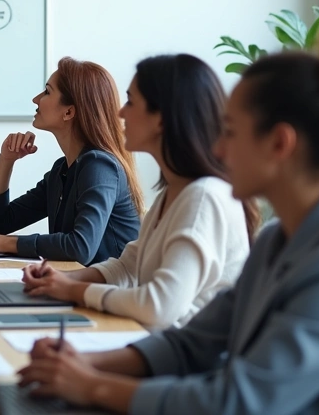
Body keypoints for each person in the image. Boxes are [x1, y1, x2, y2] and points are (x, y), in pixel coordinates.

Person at [18, 29, 319, 414]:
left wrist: (91, 385)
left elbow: (238, 402)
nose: (219, 149)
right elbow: (192, 343)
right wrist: (83, 364)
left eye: (229, 132)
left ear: (279, 144)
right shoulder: (278, 239)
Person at [21, 54, 257, 331]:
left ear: (161, 119)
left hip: (179, 351)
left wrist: (73, 290)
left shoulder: (203, 198)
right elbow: (127, 267)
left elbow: (158, 306)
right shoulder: (174, 194)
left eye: (131, 102)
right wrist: (61, 279)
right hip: (158, 342)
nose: (121, 113)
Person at [0, 57, 142, 264]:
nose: (35, 99)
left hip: (111, 284)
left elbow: (81, 247)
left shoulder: (99, 166)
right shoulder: (61, 171)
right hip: (77, 279)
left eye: (47, 91)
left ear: (69, 112)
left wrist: (3, 243)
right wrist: (6, 160)